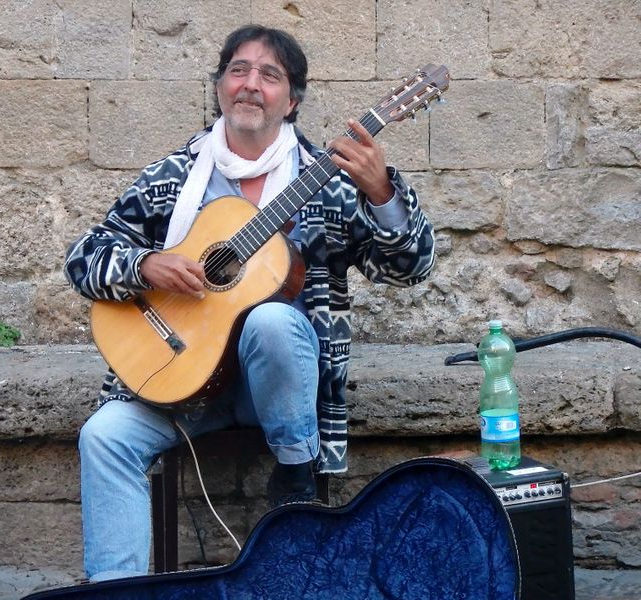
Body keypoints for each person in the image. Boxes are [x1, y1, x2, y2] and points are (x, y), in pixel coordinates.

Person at [64, 24, 435, 582]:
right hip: (181, 379)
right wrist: (144, 265)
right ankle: (117, 593)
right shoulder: (175, 177)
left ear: (293, 100)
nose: (250, 84)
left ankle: (295, 475)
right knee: (103, 436)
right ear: (219, 87)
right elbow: (82, 259)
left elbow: (411, 268)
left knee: (270, 319)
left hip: (283, 391)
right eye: (238, 70)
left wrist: (382, 192)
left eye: (270, 75)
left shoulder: (330, 183)